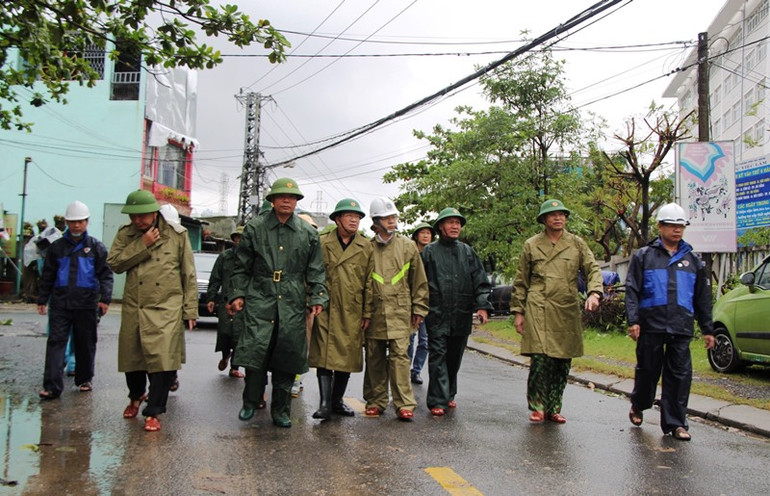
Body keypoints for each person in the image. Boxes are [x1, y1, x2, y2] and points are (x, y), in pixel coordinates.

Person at [229, 178, 328, 428]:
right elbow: (241, 266)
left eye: (292, 197)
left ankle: (281, 410)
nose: (287, 201)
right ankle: (250, 401)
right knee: (256, 352)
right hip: (260, 296)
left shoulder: (308, 233)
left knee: (287, 357)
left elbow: (316, 269)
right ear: (272, 200)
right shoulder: (255, 228)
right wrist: (238, 294)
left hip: (293, 299)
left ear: (297, 202)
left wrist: (317, 296)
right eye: (282, 197)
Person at [107, 190, 198, 432]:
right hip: (136, 306)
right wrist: (141, 244)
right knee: (133, 360)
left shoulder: (177, 235)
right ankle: (136, 396)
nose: (137, 220)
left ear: (154, 212)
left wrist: (190, 311)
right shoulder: (126, 235)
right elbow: (115, 264)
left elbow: (187, 274)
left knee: (162, 362)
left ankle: (154, 411)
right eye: (133, 216)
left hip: (166, 307)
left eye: (142, 216)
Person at [625, 202, 715, 441]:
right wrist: (633, 320)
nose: (677, 230)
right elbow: (632, 290)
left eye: (681, 226)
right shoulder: (644, 256)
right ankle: (639, 404)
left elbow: (702, 297)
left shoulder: (693, 261)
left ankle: (676, 424)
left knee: (679, 376)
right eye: (672, 226)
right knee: (648, 371)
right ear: (660, 226)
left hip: (681, 325)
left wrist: (708, 328)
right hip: (651, 324)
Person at [510, 199, 602, 424]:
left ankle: (554, 407)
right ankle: (537, 406)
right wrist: (518, 312)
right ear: (544, 219)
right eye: (552, 215)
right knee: (541, 358)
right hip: (538, 305)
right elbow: (521, 280)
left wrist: (594, 293)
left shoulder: (576, 243)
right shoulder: (531, 245)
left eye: (561, 214)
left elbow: (593, 268)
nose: (558, 218)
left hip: (566, 307)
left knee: (562, 360)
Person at [37, 201, 113, 399]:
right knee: (56, 343)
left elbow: (105, 275)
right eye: (72, 222)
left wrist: (105, 299)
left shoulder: (96, 247)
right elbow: (48, 275)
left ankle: (84, 378)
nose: (76, 226)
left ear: (87, 222)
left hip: (87, 304)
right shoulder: (57, 248)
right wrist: (42, 299)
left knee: (85, 343)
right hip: (60, 304)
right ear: (67, 223)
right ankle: (52, 386)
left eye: (80, 221)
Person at [363, 197, 429, 421]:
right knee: (374, 358)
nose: (392, 221)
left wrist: (419, 309)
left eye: (394, 217)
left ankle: (404, 404)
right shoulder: (366, 248)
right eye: (387, 218)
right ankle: (376, 401)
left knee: (400, 357)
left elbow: (419, 281)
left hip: (401, 312)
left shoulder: (408, 246)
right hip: (374, 312)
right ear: (376, 221)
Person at [422, 208, 492, 416]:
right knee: (438, 357)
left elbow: (480, 281)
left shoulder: (467, 252)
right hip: (436, 314)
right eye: (450, 222)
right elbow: (419, 283)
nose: (455, 226)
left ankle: (449, 393)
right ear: (440, 227)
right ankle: (437, 400)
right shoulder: (429, 252)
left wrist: (482, 306)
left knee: (454, 357)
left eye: (458, 223)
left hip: (461, 315)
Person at [308, 198, 372, 420]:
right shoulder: (322, 242)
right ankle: (325, 404)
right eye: (349, 216)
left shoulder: (366, 246)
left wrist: (367, 312)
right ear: (337, 219)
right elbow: (312, 272)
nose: (354, 220)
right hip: (325, 306)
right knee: (324, 354)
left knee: (346, 355)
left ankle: (337, 401)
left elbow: (369, 282)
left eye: (357, 217)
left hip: (352, 309)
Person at [205, 226, 245, 379]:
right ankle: (225, 355)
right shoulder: (224, 257)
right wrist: (211, 298)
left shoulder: (251, 258)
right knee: (224, 333)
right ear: (234, 239)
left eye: (243, 238)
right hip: (225, 301)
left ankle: (235, 367)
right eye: (237, 238)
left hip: (243, 304)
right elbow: (215, 278)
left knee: (240, 335)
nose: (240, 241)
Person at [408, 222, 434, 385]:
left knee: (425, 340)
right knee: (410, 338)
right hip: (411, 302)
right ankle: (404, 369)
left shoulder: (433, 254)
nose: (426, 236)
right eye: (422, 233)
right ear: (417, 235)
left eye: (428, 233)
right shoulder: (410, 253)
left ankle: (416, 371)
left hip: (429, 304)